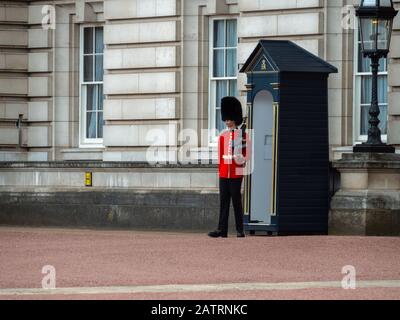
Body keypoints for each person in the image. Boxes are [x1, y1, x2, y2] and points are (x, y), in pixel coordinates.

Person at [208, 96, 250, 238]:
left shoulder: (243, 135)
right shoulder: (222, 136)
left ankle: (240, 229)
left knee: (236, 201)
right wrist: (221, 171)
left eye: (229, 119)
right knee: (224, 201)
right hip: (224, 173)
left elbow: (247, 154)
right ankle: (222, 229)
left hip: (236, 173)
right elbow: (221, 157)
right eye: (226, 119)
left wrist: (241, 158)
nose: (227, 122)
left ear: (234, 119)